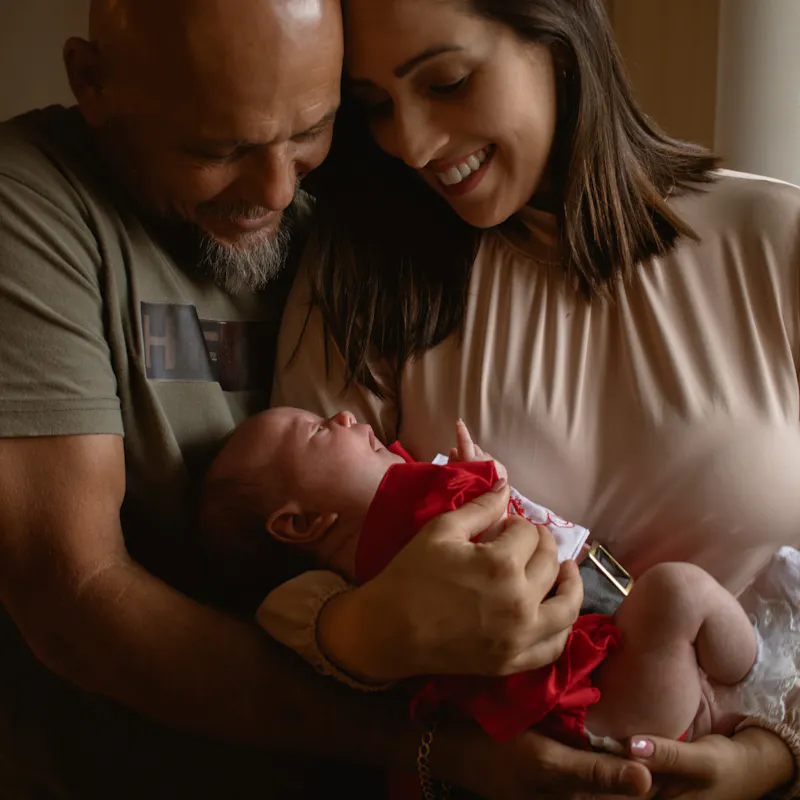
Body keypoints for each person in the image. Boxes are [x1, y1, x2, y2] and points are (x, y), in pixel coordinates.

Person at [0, 1, 630, 798]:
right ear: (93, 83)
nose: (275, 189)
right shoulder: (31, 206)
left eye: (309, 132)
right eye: (219, 148)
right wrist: (435, 749)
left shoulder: (373, 184)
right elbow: (75, 598)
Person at [265, 0, 800, 797]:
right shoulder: (363, 277)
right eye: (376, 104)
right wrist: (370, 636)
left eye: (446, 81)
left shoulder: (777, 242)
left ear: (556, 39)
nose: (407, 142)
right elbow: (268, 583)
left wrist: (781, 748)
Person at [201, 405, 766, 759]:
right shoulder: (395, 524)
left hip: (593, 699)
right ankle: (762, 678)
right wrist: (475, 481)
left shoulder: (374, 558)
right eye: (320, 431)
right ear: (299, 523)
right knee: (678, 592)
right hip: (599, 700)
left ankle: (718, 706)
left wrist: (477, 479)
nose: (346, 416)